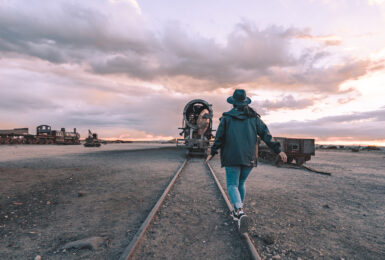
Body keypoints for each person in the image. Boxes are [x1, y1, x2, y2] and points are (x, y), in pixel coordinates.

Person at [206, 89, 287, 233]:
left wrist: (212, 152)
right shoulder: (254, 118)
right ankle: (239, 211)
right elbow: (266, 135)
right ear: (245, 102)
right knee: (241, 183)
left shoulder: (226, 118)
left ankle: (239, 211)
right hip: (249, 156)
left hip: (232, 156)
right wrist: (278, 150)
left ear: (233, 103)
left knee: (232, 185)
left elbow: (219, 138)